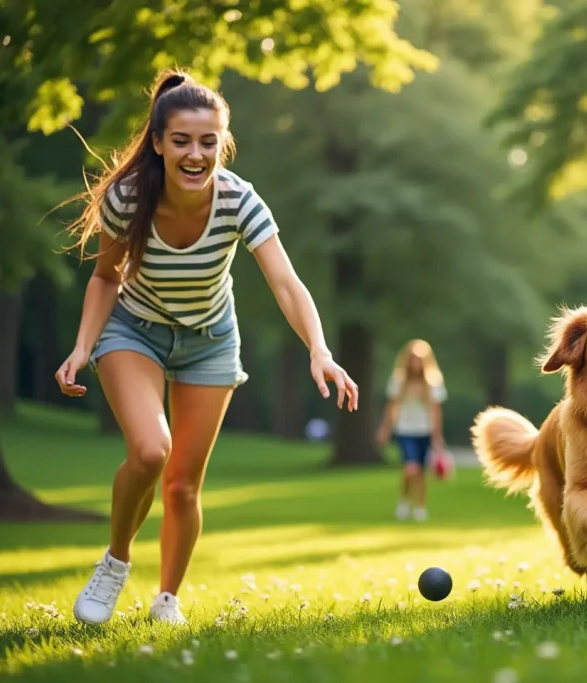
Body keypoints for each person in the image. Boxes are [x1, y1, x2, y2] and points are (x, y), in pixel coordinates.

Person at [54, 69, 359, 625]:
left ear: (222, 143)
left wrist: (319, 348)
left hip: (210, 341)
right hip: (134, 330)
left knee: (183, 485)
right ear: (157, 143)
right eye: (182, 141)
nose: (196, 154)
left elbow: (286, 283)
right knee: (150, 451)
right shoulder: (128, 198)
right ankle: (116, 561)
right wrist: (81, 347)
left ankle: (167, 598)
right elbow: (104, 278)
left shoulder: (238, 200)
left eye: (208, 142)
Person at [376, 339, 447, 522]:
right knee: (411, 468)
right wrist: (385, 428)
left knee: (422, 471)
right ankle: (404, 500)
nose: (415, 364)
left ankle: (420, 506)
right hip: (405, 430)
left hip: (425, 430)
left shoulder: (433, 382)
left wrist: (437, 435)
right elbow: (392, 406)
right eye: (413, 359)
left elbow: (436, 410)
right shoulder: (398, 381)